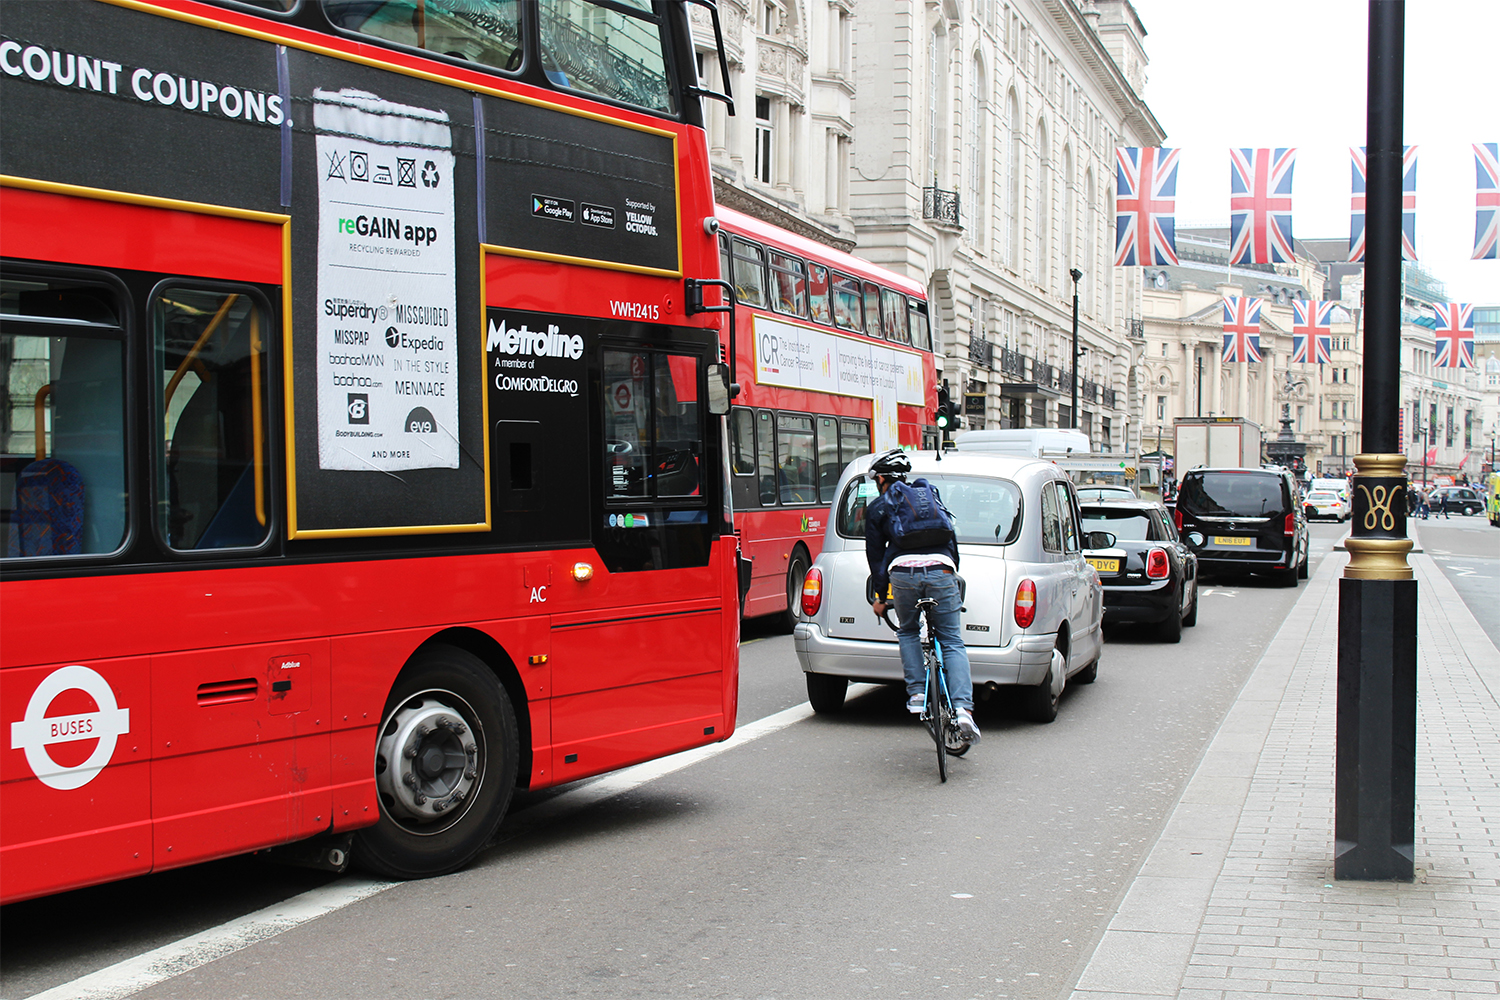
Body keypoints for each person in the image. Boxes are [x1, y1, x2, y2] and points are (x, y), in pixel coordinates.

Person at [863, 448, 979, 744]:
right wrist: (951, 573)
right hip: (942, 570)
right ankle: (963, 710)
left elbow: (876, 558)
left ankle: (916, 693)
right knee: (951, 640)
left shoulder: (879, 507)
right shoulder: (929, 498)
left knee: (908, 631)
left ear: (882, 479)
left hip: (903, 575)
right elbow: (951, 540)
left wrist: (880, 597)